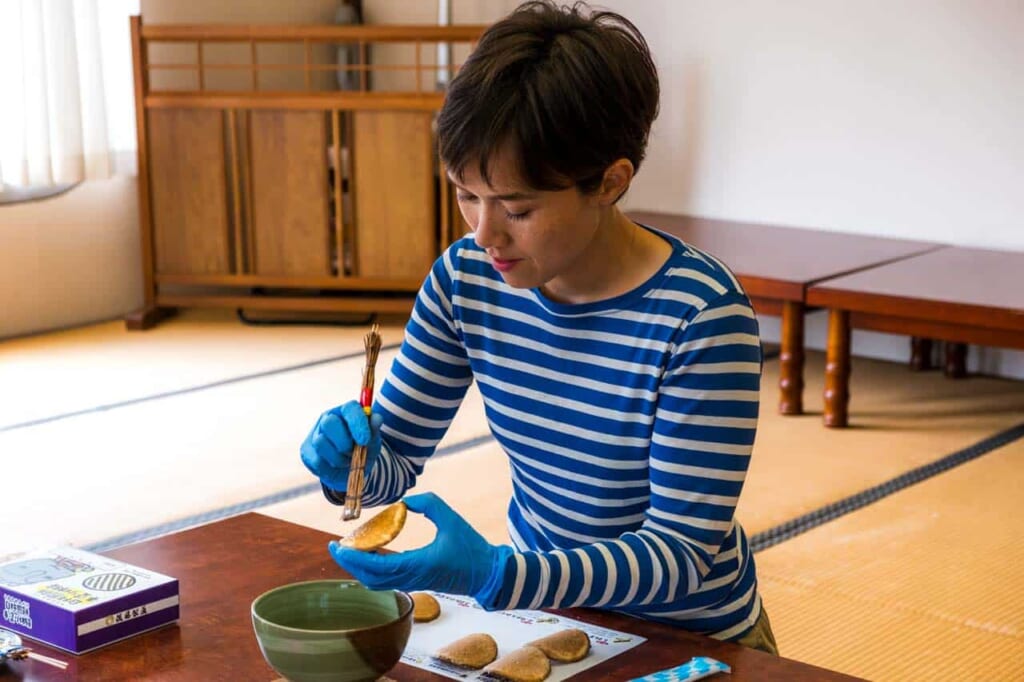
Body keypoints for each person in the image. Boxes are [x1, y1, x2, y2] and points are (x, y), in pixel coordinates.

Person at [300, 0, 777, 655]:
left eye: (517, 208)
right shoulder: (466, 279)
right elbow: (394, 464)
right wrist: (347, 465)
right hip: (540, 618)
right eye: (467, 195)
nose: (485, 233)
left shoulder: (700, 317)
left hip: (689, 636)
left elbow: (679, 556)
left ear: (610, 182)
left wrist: (500, 573)